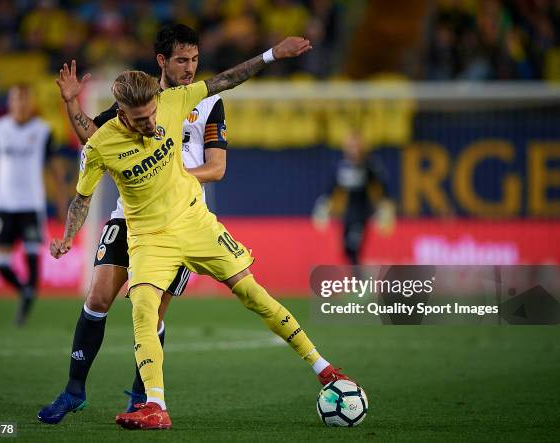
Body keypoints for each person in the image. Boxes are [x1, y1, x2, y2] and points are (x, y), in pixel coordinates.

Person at [52, 36, 354, 431]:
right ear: (120, 114)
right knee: (139, 307)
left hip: (195, 222)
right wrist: (68, 237)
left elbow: (228, 79)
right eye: (141, 119)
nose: (152, 124)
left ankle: (324, 367)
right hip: (148, 235)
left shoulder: (176, 101)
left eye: (152, 115)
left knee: (253, 293)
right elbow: (81, 199)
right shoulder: (100, 144)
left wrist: (272, 54)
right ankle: (153, 406)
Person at [38, 24, 228, 424]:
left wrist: (172, 173)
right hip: (130, 214)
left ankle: (142, 398)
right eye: (181, 60)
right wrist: (72, 104)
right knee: (98, 297)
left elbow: (217, 167)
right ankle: (74, 391)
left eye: (194, 59)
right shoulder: (139, 97)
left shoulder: (207, 103)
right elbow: (94, 137)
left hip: (179, 220)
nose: (190, 68)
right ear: (163, 61)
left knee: (152, 313)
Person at [0, 84, 66, 326]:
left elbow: (56, 170)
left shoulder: (42, 130)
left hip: (31, 206)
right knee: (0, 263)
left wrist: (61, 204)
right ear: (10, 102)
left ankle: (25, 307)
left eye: (25, 100)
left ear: (31, 103)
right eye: (16, 99)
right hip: (4, 206)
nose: (21, 104)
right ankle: (25, 291)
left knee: (32, 257)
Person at [312, 131, 394, 264]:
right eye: (351, 146)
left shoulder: (369, 166)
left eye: (356, 146)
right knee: (346, 250)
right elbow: (331, 189)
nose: (353, 150)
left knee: (354, 248)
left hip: (362, 214)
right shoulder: (342, 166)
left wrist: (385, 211)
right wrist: (322, 208)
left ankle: (359, 283)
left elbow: (383, 188)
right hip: (348, 214)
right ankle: (359, 280)